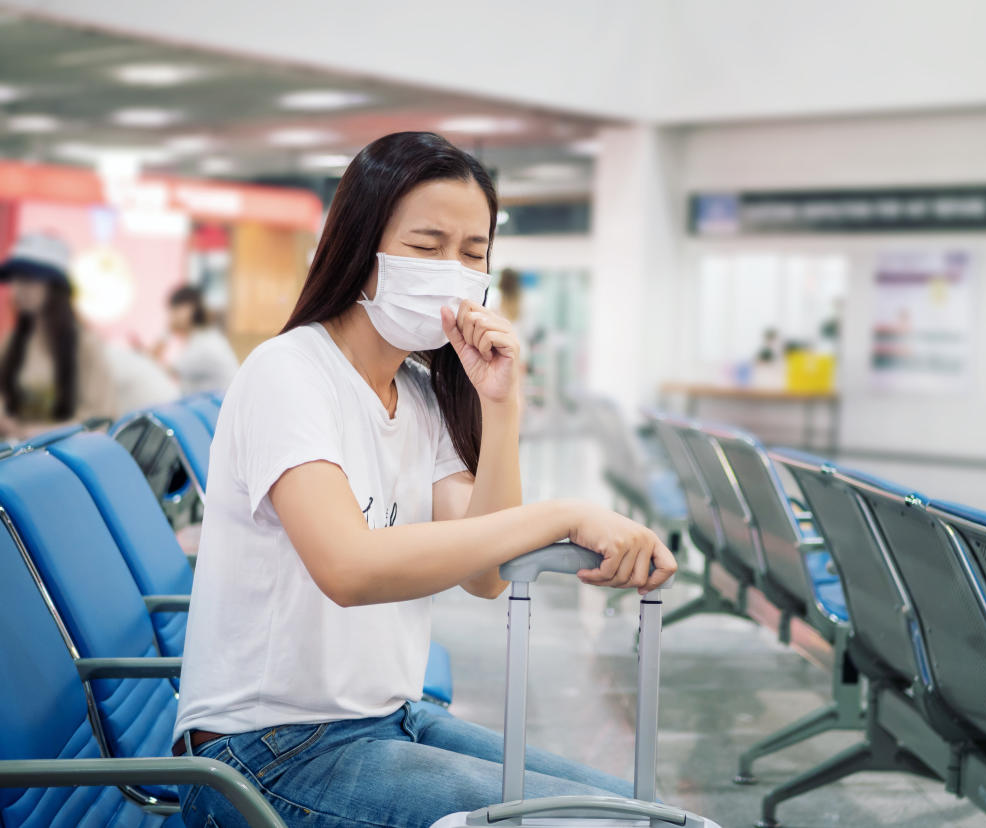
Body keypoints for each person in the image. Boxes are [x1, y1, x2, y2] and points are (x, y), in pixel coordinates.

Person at [172, 131, 676, 828]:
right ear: (361, 248)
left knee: (634, 813)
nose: (453, 270)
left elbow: (486, 571)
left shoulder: (417, 392)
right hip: (265, 755)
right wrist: (563, 514)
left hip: (388, 718)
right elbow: (348, 568)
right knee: (590, 825)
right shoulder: (288, 373)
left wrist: (501, 409)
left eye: (473, 253)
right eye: (426, 245)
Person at [0, 232, 115, 440]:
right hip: (14, 456)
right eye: (15, 279)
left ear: (55, 287)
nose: (18, 289)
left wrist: (34, 433)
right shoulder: (13, 340)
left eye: (28, 279)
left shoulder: (84, 344)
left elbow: (101, 418)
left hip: (62, 461)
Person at [155, 284, 239, 395]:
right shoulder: (203, 337)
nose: (171, 316)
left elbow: (161, 371)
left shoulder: (204, 344)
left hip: (217, 408)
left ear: (189, 309)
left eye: (174, 310)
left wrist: (167, 332)